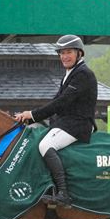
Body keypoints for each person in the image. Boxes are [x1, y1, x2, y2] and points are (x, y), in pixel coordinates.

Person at [13, 34, 97, 206]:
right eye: (61, 53)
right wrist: (28, 118)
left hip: (77, 125)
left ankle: (64, 194)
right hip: (66, 123)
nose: (64, 56)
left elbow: (62, 102)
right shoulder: (70, 73)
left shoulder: (83, 74)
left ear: (79, 54)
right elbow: (55, 101)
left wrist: (34, 114)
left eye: (69, 52)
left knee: (45, 145)